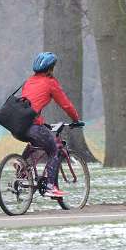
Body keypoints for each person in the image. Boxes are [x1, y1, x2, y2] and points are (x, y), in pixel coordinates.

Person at [20, 51, 81, 198]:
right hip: (33, 125)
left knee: (34, 142)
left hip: (18, 125)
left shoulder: (29, 82)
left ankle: (21, 168)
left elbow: (31, 104)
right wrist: (75, 119)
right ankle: (50, 187)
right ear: (50, 68)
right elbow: (66, 105)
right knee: (53, 149)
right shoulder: (50, 83)